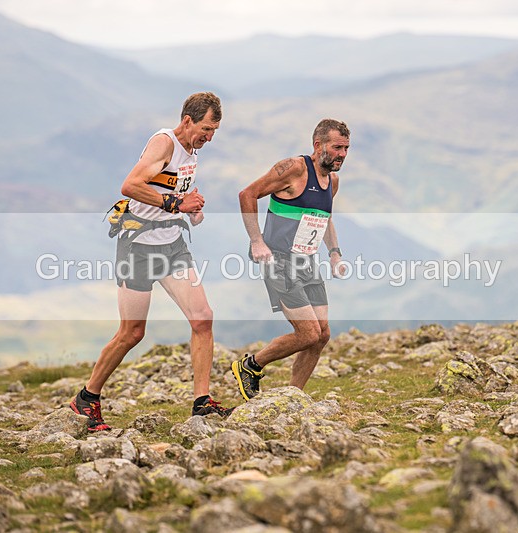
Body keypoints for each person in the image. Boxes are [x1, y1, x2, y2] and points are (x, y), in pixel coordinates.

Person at [71, 92, 232, 431]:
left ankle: (201, 402)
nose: (209, 136)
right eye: (206, 128)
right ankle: (87, 398)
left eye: (214, 130)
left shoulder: (191, 151)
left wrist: (191, 206)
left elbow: (174, 188)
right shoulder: (165, 142)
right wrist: (177, 204)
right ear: (187, 120)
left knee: (203, 319)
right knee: (132, 333)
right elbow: (130, 186)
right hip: (138, 247)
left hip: (172, 244)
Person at [232, 119, 349, 400]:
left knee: (322, 334)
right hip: (279, 260)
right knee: (307, 333)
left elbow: (324, 218)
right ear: (318, 145)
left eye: (346, 148)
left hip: (307, 261)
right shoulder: (294, 169)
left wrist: (334, 254)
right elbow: (247, 194)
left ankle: (292, 396)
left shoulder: (332, 181)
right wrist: (257, 241)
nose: (342, 154)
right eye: (337, 147)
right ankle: (251, 365)